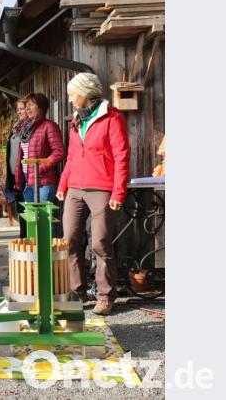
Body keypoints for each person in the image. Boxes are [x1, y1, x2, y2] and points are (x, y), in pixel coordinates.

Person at [57, 72, 130, 316]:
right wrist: (63, 183)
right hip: (75, 188)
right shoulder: (76, 120)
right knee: (69, 240)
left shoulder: (112, 117)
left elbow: (121, 155)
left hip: (102, 188)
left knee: (100, 242)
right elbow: (72, 156)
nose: (70, 99)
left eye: (72, 94)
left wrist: (118, 191)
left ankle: (105, 296)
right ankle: (77, 291)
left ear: (86, 93)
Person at [15, 93, 65, 238]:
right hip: (28, 181)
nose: (27, 108)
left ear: (41, 108)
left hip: (44, 182)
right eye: (27, 105)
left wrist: (39, 167)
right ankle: (36, 255)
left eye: (31, 104)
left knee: (45, 220)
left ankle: (50, 256)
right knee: (32, 221)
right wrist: (19, 178)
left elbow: (59, 152)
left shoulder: (49, 126)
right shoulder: (26, 128)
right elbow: (22, 156)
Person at [4, 98, 29, 238]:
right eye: (18, 109)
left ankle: (27, 237)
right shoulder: (16, 127)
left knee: (26, 208)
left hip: (25, 174)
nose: (19, 111)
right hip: (15, 174)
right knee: (20, 208)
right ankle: (23, 236)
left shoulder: (29, 128)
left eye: (22, 108)